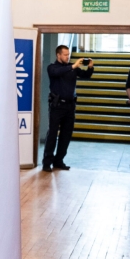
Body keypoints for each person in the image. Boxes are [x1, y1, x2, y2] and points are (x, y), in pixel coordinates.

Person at [42, 44, 94, 172]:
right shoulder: (52, 67)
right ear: (58, 55)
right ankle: (47, 162)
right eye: (65, 54)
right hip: (57, 106)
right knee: (52, 134)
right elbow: (57, 72)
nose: (68, 56)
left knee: (66, 135)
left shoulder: (72, 68)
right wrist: (73, 66)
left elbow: (85, 75)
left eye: (68, 54)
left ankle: (59, 161)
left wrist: (90, 67)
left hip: (70, 106)